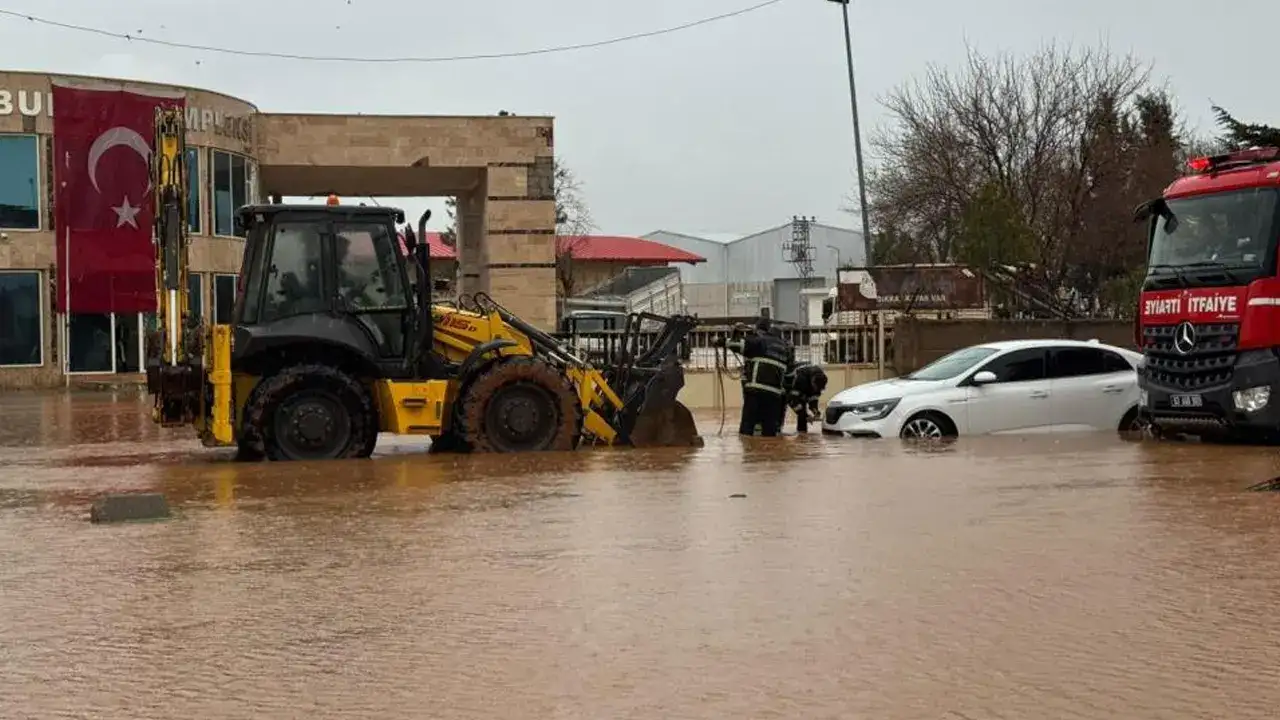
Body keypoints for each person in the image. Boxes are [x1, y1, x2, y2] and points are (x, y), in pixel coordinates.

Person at [715, 316, 792, 436]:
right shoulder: (785, 348)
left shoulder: (760, 341)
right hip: (774, 395)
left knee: (747, 429)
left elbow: (737, 345)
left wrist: (720, 341)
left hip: (756, 390)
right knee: (769, 431)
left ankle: (750, 451)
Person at [780, 360, 828, 433]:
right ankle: (777, 430)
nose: (817, 389)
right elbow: (792, 400)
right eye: (816, 387)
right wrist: (805, 416)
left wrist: (815, 410)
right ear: (813, 381)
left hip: (801, 386)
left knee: (802, 411)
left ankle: (802, 433)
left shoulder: (820, 379)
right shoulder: (800, 380)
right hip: (786, 387)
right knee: (786, 408)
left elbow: (813, 397)